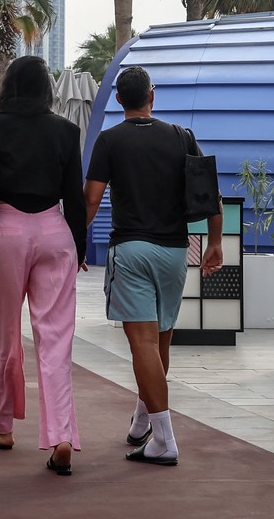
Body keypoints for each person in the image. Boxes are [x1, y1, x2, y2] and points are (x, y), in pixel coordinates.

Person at [83, 64, 221, 467]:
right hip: (174, 252)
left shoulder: (109, 141)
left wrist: (74, 240)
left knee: (141, 344)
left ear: (120, 100)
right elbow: (206, 193)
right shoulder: (182, 137)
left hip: (131, 250)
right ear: (152, 96)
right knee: (160, 341)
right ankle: (142, 423)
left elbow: (91, 200)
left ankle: (164, 439)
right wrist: (214, 243)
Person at [0, 55, 86, 476]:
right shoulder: (67, 131)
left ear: (9, 86)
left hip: (9, 231)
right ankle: (62, 435)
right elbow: (75, 196)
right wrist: (80, 250)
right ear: (48, 89)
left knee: (5, 332)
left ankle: (5, 427)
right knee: (55, 339)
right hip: (55, 232)